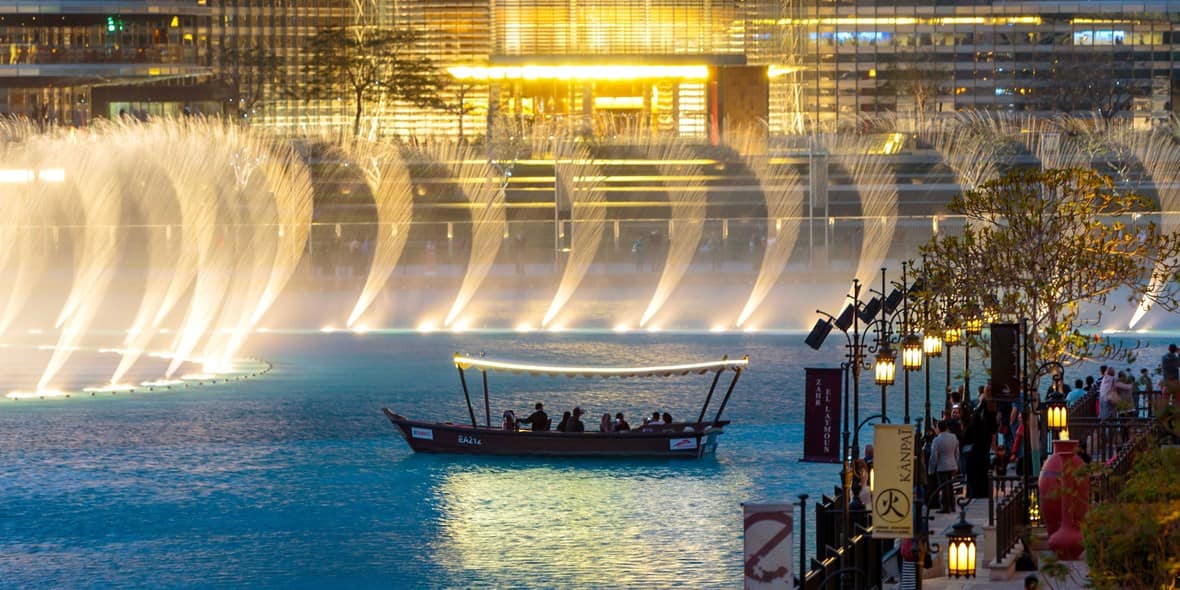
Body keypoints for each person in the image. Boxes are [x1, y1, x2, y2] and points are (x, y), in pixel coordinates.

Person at [929, 420, 960, 512]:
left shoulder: (936, 440)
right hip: (952, 464)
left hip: (942, 465)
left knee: (943, 486)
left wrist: (931, 468)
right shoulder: (953, 437)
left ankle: (946, 507)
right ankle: (952, 505)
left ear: (938, 428)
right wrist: (956, 463)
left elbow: (934, 456)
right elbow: (957, 452)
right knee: (950, 486)